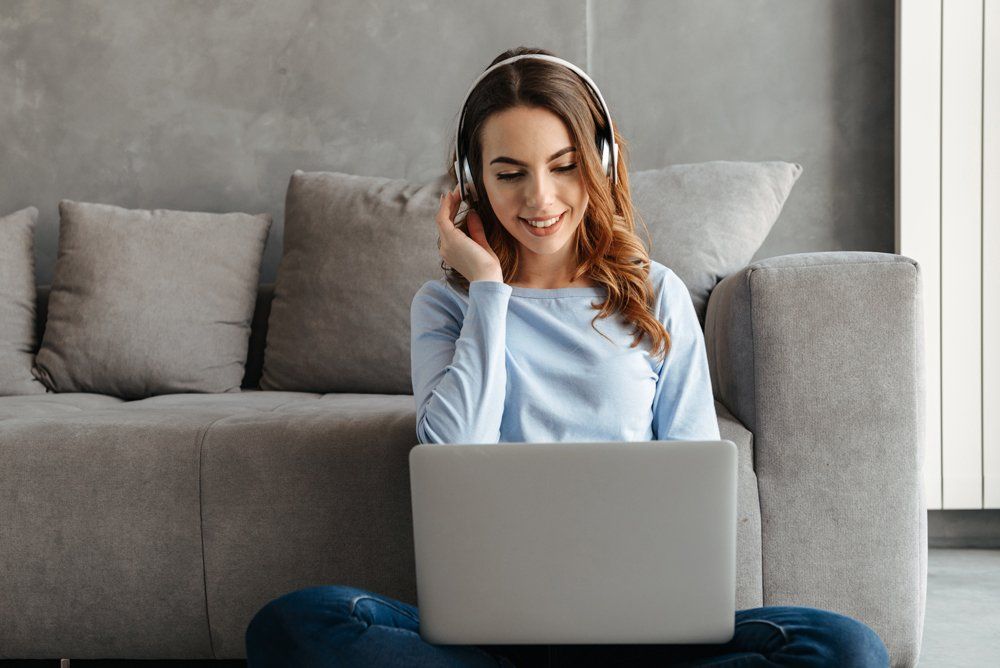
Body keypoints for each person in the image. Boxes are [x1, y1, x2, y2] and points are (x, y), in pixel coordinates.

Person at [244, 46, 891, 667]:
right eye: (509, 173)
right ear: (473, 180)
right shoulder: (446, 307)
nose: (540, 199)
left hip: (642, 630)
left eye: (564, 166)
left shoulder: (654, 292)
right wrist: (489, 292)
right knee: (298, 625)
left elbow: (694, 481)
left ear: (601, 163)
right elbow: (451, 447)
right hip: (491, 630)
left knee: (844, 648)